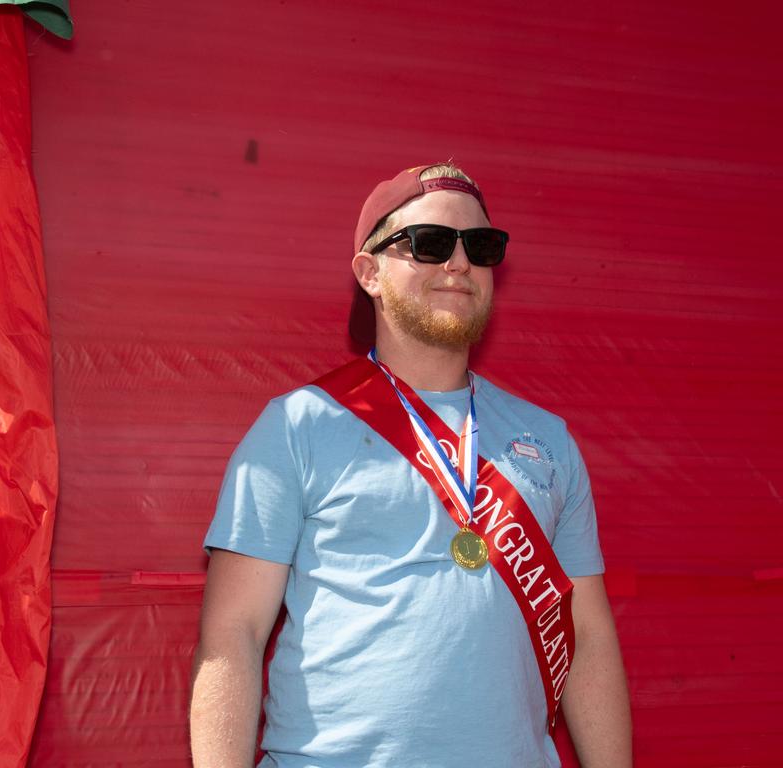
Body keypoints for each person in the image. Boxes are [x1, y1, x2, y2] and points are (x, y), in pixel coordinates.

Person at [189, 162, 632, 767]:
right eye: (429, 243)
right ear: (369, 272)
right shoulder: (296, 427)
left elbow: (588, 639)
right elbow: (232, 637)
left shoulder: (547, 440)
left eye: (480, 246)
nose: (459, 264)